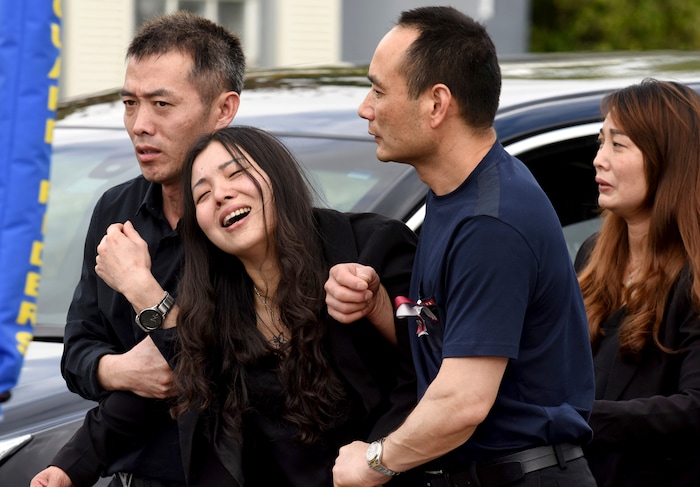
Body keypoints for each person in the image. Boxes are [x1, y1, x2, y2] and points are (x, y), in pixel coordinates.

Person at [31, 125, 420, 487]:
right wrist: (67, 468)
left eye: (236, 174)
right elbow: (163, 381)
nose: (221, 194)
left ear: (278, 176)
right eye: (202, 194)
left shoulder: (370, 247)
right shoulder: (214, 299)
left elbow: (429, 369)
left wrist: (378, 456)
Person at [328, 6, 597, 487]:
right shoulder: (456, 196)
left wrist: (374, 461)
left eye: (378, 89)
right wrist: (376, 309)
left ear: (436, 104)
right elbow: (449, 345)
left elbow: (464, 400)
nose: (365, 108)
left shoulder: (490, 222)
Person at [33, 11, 245, 487]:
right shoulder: (118, 208)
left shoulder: (249, 218)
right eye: (130, 103)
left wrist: (140, 287)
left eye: (161, 104)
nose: (139, 125)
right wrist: (119, 370)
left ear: (223, 109)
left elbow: (213, 370)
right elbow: (78, 350)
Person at [574, 79, 700, 487]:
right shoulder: (593, 254)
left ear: (667, 159)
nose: (598, 159)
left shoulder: (694, 275)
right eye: (600, 142)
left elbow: (694, 408)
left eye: (618, 145)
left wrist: (571, 417)